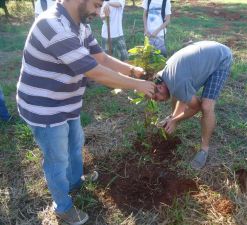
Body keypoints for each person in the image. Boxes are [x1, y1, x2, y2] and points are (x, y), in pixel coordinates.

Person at [16, 0, 155, 224]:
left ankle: (75, 181)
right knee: (57, 159)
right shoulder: (53, 25)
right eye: (96, 5)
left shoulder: (81, 25)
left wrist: (132, 70)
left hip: (67, 101)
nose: (99, 12)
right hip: (44, 107)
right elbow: (94, 70)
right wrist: (137, 84)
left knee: (75, 143)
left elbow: (101, 58)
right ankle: (62, 206)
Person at [153, 41, 233, 170]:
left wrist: (176, 120)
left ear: (160, 87)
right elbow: (180, 95)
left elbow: (195, 107)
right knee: (180, 94)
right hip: (208, 52)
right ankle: (171, 118)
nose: (157, 100)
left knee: (206, 106)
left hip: (221, 58)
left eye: (156, 97)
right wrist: (173, 118)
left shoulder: (176, 83)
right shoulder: (165, 76)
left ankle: (204, 150)